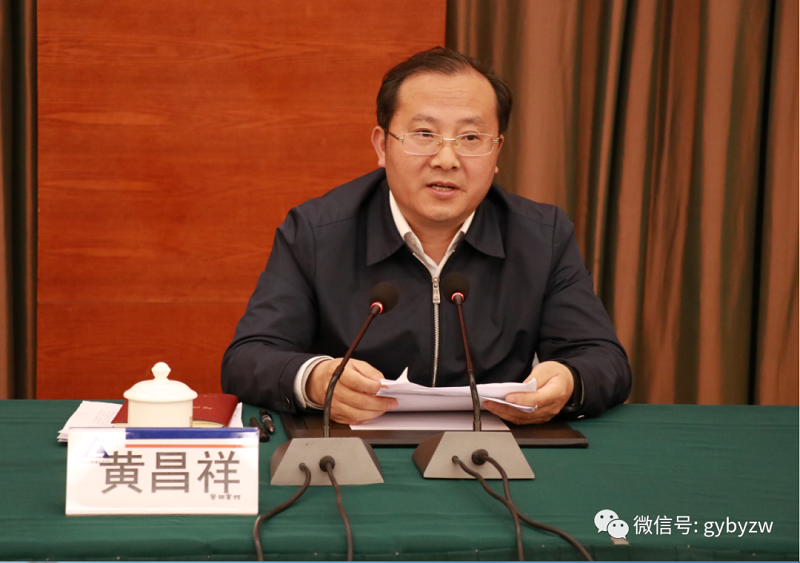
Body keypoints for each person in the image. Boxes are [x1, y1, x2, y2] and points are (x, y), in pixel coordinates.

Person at [221, 47, 631, 426]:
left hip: (496, 451)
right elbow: (247, 358)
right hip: (352, 448)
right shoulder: (316, 232)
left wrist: (568, 380)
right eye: (424, 134)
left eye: (470, 138)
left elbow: (604, 359)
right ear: (382, 146)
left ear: (497, 152)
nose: (447, 159)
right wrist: (314, 379)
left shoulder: (541, 237)